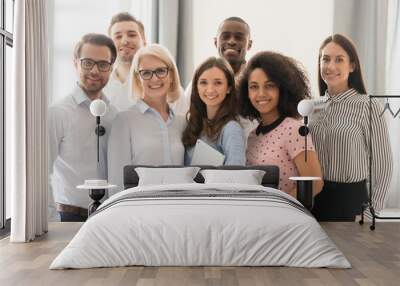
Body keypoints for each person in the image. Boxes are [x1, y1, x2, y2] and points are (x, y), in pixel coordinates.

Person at [309, 34, 393, 221]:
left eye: (339, 59)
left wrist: (371, 213)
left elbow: (383, 166)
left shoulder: (368, 106)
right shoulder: (311, 108)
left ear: (352, 66)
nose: (330, 66)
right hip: (313, 202)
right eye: (325, 59)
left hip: (351, 203)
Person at [49, 33, 118, 222]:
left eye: (103, 64)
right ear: (75, 63)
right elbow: (41, 171)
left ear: (111, 68)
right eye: (88, 62)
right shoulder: (58, 112)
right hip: (68, 215)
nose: (95, 71)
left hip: (108, 215)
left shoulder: (115, 114)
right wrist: (51, 220)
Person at [239, 51, 323, 197]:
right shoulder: (253, 136)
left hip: (285, 215)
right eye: (254, 87)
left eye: (269, 86)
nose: (261, 94)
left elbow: (314, 184)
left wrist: (281, 208)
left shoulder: (294, 130)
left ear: (282, 89)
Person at [108, 44, 186, 192]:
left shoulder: (181, 122)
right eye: (146, 73)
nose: (154, 78)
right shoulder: (124, 121)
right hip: (139, 209)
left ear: (171, 75)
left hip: (177, 206)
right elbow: (117, 182)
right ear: (138, 78)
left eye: (161, 71)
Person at [182, 57, 246, 165]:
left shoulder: (231, 129)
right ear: (196, 87)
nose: (210, 89)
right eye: (203, 83)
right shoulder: (194, 124)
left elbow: (236, 175)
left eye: (218, 83)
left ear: (229, 88)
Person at [103, 12, 146, 111]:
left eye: (131, 35)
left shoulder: (160, 82)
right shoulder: (100, 85)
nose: (125, 41)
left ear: (144, 41)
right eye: (118, 37)